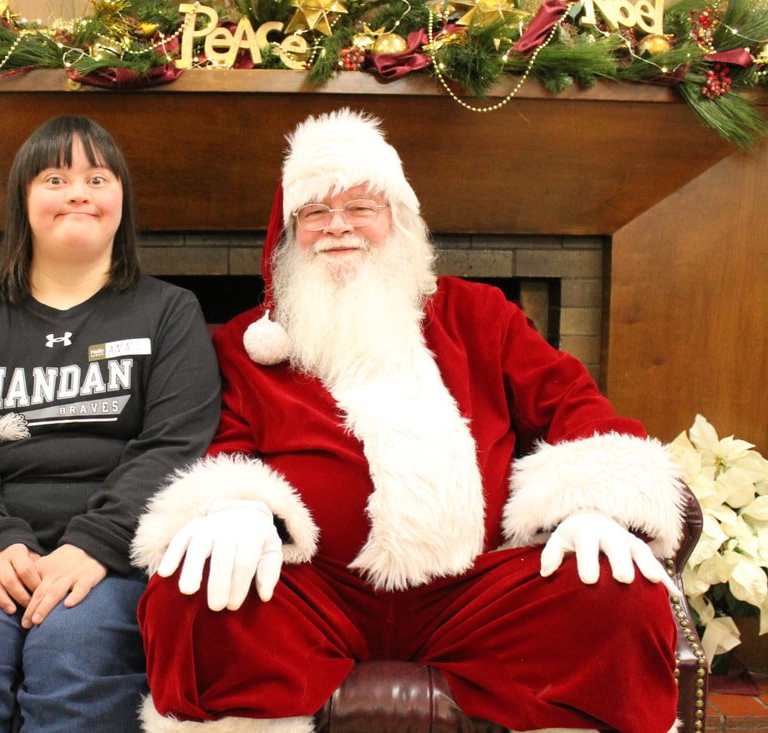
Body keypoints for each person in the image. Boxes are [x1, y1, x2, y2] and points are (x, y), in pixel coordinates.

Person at [131, 108, 685, 733]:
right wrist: (236, 507)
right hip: (316, 594)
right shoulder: (246, 345)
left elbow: (572, 402)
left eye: (360, 206)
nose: (338, 227)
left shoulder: (482, 315)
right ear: (289, 236)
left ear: (399, 218)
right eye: (314, 213)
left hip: (475, 591)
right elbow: (224, 442)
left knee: (615, 598)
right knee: (194, 595)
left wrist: (591, 505)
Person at [0, 115, 221, 732]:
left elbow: (174, 445)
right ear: (24, 200)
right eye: (55, 177)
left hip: (116, 548)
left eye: (98, 176)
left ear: (121, 201)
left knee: (77, 650)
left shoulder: (170, 313)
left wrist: (96, 543)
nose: (78, 192)